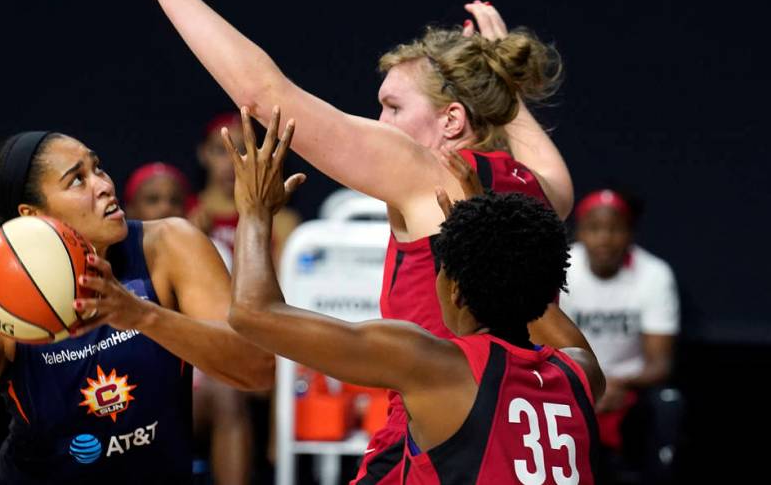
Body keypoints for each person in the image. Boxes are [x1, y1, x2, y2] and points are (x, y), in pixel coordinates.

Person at [127, 0, 591, 483]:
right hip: (515, 432)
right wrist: (499, 75)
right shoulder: (535, 191)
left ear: (451, 121)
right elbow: (541, 159)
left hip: (431, 442)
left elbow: (267, 97)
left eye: (392, 107)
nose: (378, 122)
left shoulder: (423, 169)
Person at [225, 107, 605, 484]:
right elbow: (530, 287)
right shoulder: (581, 371)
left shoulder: (437, 366)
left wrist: (254, 211)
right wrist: (486, 228)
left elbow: (252, 312)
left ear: (454, 290)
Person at [0, 132, 274, 485]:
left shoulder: (170, 247)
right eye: (77, 180)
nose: (104, 185)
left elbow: (257, 369)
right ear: (32, 215)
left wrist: (143, 316)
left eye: (98, 168)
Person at [122, 160, 255, 485]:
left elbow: (235, 337)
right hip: (124, 374)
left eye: (174, 200)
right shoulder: (111, 256)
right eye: (153, 199)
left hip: (195, 375)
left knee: (227, 392)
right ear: (129, 208)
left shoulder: (211, 251)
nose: (166, 206)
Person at [560, 188, 682, 484]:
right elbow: (549, 345)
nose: (604, 238)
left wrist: (618, 384)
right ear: (580, 233)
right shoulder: (562, 269)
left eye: (615, 229)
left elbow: (660, 364)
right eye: (595, 228)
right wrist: (589, 386)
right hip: (574, 385)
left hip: (630, 388)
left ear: (630, 234)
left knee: (668, 403)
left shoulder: (654, 274)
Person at [189, 112, 301, 267]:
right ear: (203, 154)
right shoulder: (184, 212)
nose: (231, 161)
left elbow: (283, 287)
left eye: (243, 150)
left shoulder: (280, 221)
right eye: (221, 150)